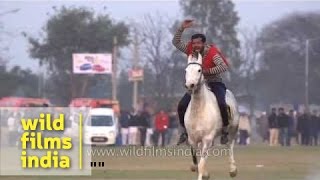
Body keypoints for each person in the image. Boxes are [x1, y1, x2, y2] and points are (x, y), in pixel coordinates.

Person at [173, 19, 230, 145]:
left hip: (213, 82)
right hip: (195, 86)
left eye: (198, 43)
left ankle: (225, 129)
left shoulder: (212, 52)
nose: (195, 46)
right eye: (194, 43)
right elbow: (175, 42)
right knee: (182, 105)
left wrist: (206, 71)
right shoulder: (189, 50)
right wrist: (182, 28)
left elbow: (223, 66)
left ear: (204, 43)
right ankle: (184, 131)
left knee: (221, 103)